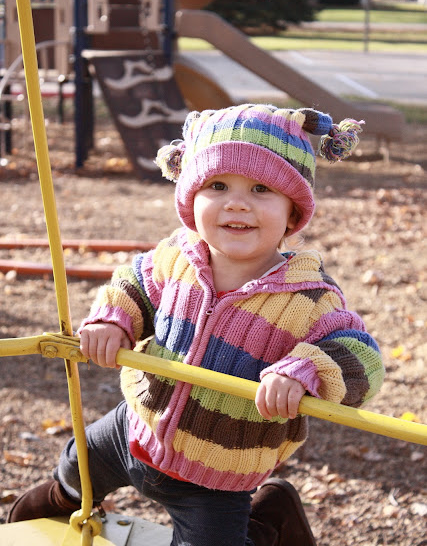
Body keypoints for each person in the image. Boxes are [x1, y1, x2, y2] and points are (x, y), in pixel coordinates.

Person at [8, 104, 385, 546]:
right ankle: (63, 496)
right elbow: (134, 284)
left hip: (219, 470)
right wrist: (114, 320)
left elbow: (362, 357)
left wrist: (303, 371)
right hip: (135, 426)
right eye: (217, 185)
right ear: (190, 196)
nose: (237, 202)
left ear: (292, 212)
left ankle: (267, 525)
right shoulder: (177, 256)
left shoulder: (309, 296)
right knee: (78, 460)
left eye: (261, 188)